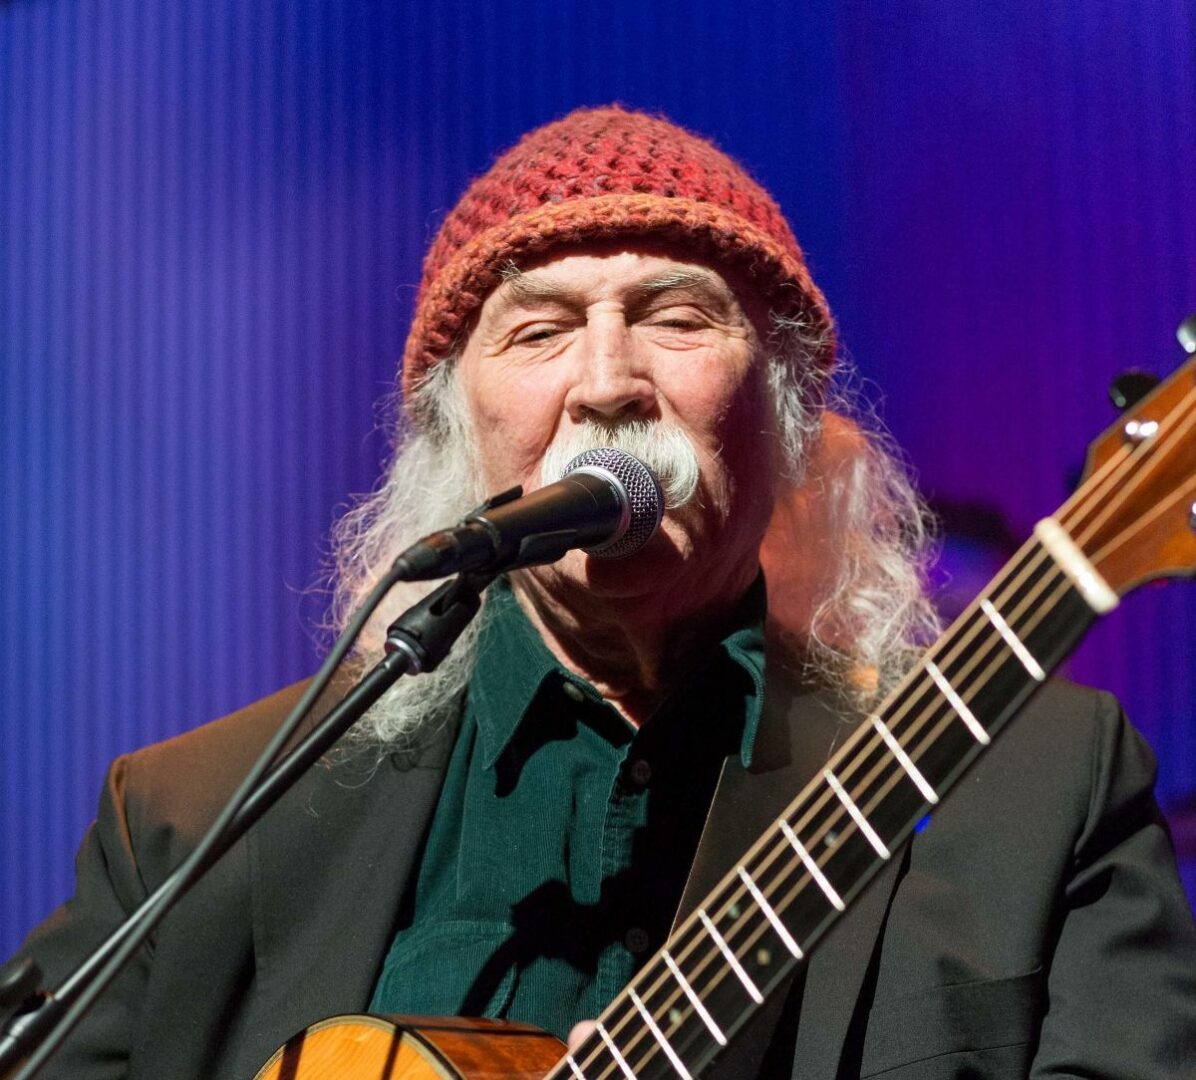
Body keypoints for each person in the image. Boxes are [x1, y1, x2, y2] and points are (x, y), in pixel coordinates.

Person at [14, 106, 1196, 1079]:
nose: (605, 382)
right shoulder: (191, 827)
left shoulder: (1038, 789)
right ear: (455, 433)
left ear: (784, 410)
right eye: (537, 332)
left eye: (676, 319)